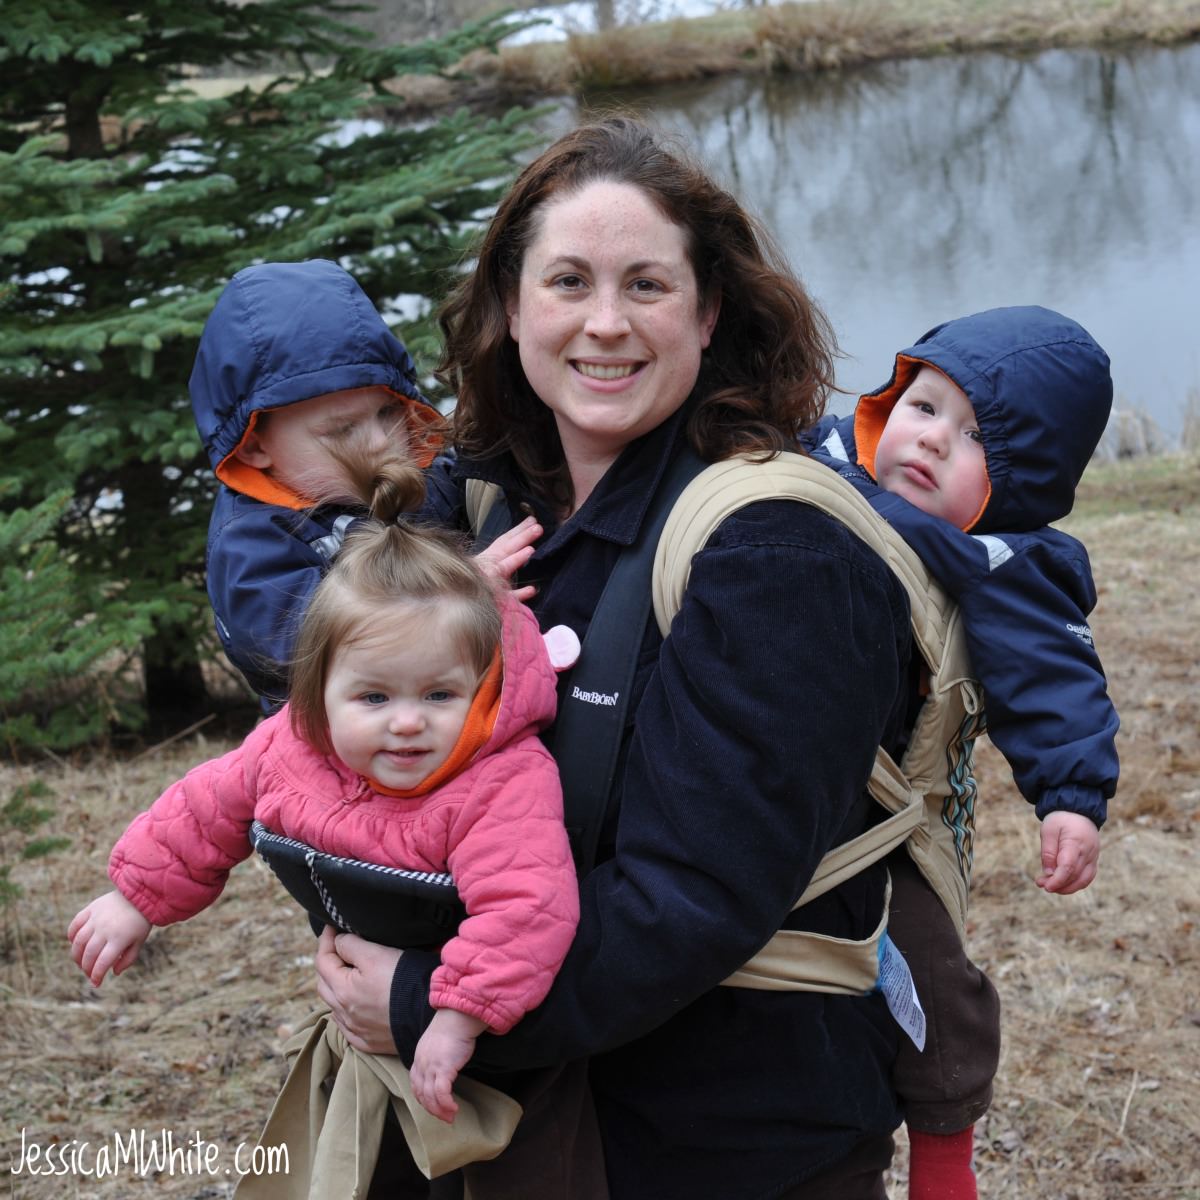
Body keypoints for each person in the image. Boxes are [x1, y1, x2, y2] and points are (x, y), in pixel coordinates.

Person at [311, 115, 916, 1199]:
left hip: (717, 1135)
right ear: (509, 304)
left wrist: (424, 1006)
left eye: (645, 285)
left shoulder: (776, 552)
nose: (604, 324)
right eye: (568, 282)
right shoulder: (479, 498)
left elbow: (692, 897)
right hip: (499, 1108)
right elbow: (334, 737)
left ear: (709, 308)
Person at [67, 448, 580, 1142]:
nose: (407, 721)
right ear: (321, 691)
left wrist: (455, 1018)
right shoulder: (296, 743)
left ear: (483, 686)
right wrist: (136, 900)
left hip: (480, 1040)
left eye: (439, 694)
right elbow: (209, 803)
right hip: (355, 1009)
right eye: (373, 696)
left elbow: (526, 907)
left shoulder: (501, 780)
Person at [804, 305, 1120, 1199]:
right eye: (926, 405)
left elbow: (1058, 682)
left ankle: (944, 1155)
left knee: (937, 981)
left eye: (976, 435)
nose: (933, 441)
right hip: (771, 765)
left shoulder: (1003, 563)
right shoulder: (816, 454)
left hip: (882, 816)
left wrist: (1071, 797)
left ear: (1026, 479)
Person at [189, 258, 446, 712]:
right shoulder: (254, 544)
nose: (379, 442)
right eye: (342, 430)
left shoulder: (419, 481)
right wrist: (465, 589)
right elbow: (317, 651)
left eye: (388, 413)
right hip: (339, 762)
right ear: (253, 447)